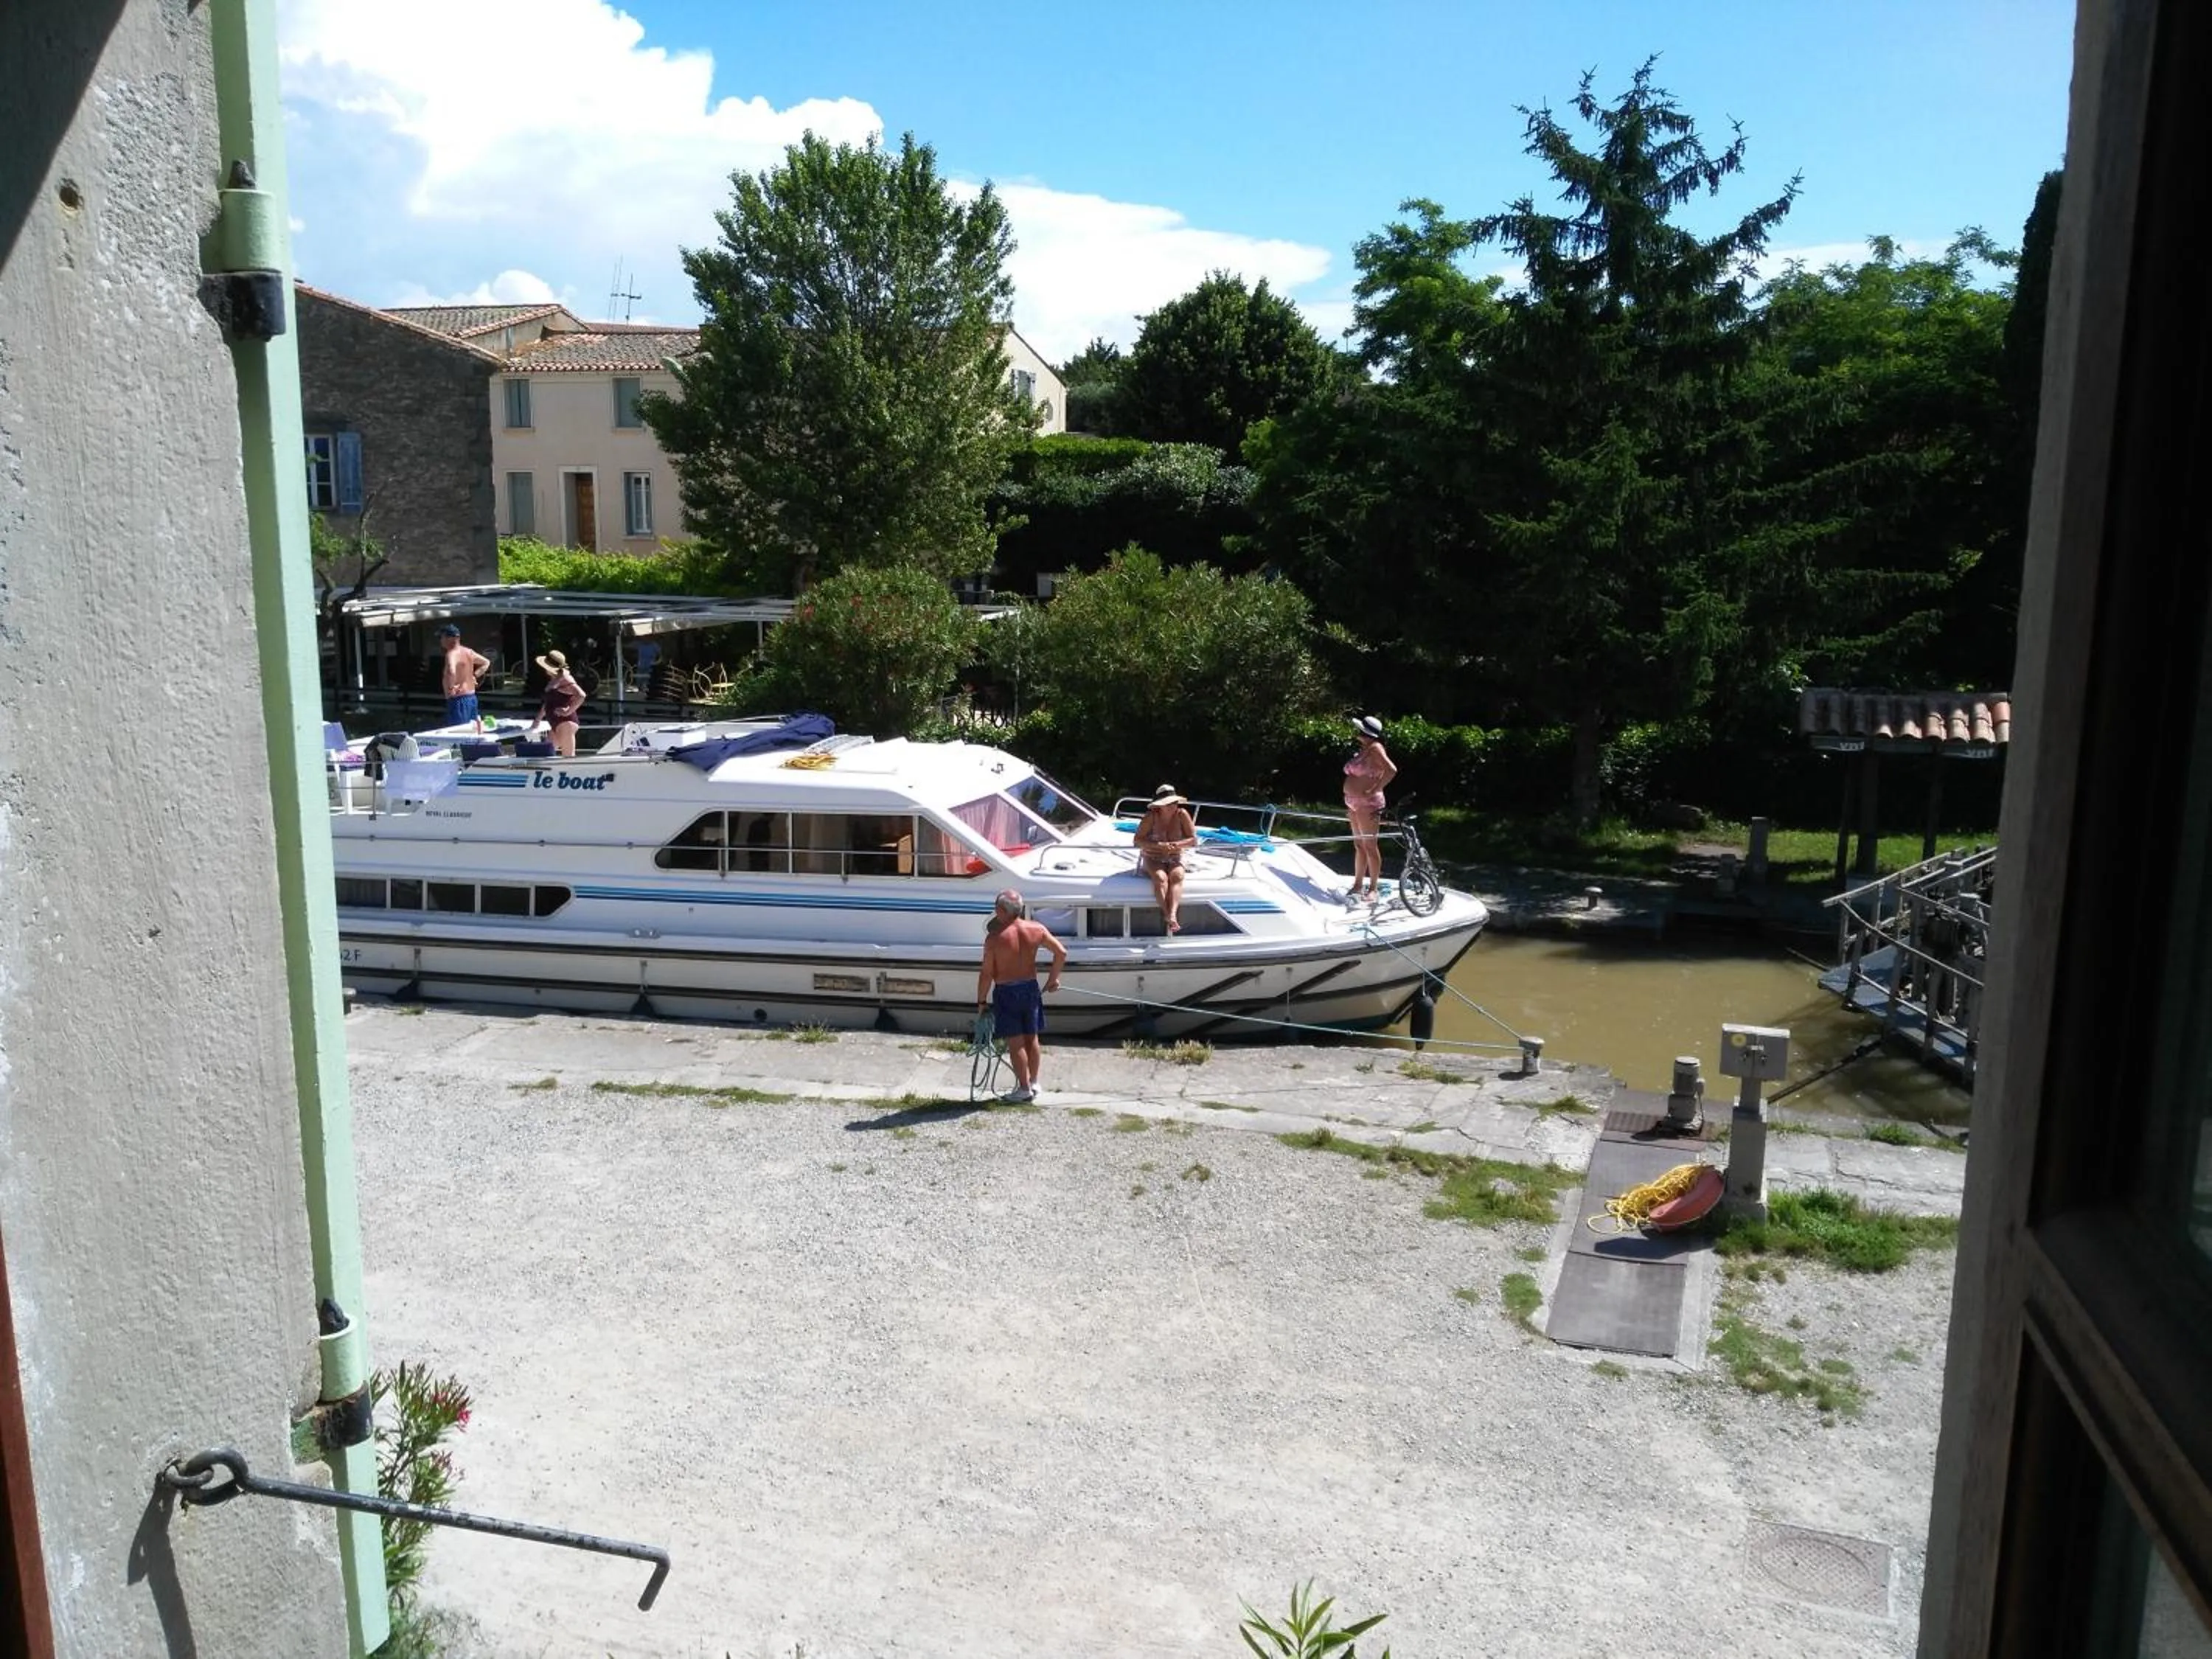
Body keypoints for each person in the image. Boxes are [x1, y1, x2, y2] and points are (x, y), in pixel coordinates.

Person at [976, 890, 1065, 1104]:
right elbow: (1061, 952)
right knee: (1032, 1037)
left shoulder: (995, 939)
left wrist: (981, 1002)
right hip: (1031, 989)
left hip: (1007, 991)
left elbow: (987, 974)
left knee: (1016, 1042)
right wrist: (1053, 980)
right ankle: (1034, 1082)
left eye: (997, 907)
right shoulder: (1036, 929)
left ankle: (1024, 1089)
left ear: (1002, 910)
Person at [1343, 714, 1399, 905]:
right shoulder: (1365, 749)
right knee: (1359, 845)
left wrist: (1375, 789)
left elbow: (1391, 770)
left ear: (1364, 732)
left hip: (1368, 804)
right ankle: (1358, 884)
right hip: (1354, 803)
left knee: (1370, 846)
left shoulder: (1375, 748)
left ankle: (1373, 888)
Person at [1133, 784, 1198, 934]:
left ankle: (1173, 914)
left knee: (1177, 876)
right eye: (1168, 803)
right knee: (1160, 878)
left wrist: (1176, 845)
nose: (1172, 806)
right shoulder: (1151, 817)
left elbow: (1192, 840)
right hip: (1153, 855)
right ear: (1160, 806)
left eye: (1174, 802)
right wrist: (1159, 845)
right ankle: (1167, 914)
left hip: (1176, 855)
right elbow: (1138, 840)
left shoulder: (1182, 814)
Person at [531, 650, 585, 757]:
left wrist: (568, 710)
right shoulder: (554, 678)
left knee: (568, 757)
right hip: (555, 723)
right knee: (545, 754)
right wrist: (538, 719)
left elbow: (581, 695)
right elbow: (548, 702)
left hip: (566, 723)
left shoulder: (565, 679)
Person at [437, 624, 490, 728]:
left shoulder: (451, 654)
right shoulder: (468, 652)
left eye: (442, 637)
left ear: (450, 638)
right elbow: (486, 662)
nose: (441, 640)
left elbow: (452, 671)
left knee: (459, 733)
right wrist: (475, 675)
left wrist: (451, 688)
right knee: (471, 732)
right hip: (471, 697)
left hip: (458, 700)